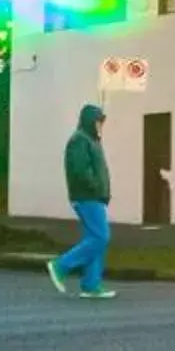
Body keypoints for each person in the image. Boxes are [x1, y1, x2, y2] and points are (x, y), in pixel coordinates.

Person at [48, 103, 115, 301]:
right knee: (100, 238)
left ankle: (91, 285)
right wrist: (96, 188)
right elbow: (80, 171)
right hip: (87, 197)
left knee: (94, 239)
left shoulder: (92, 141)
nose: (100, 125)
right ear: (89, 121)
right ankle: (61, 266)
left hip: (95, 197)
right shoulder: (79, 140)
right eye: (97, 121)